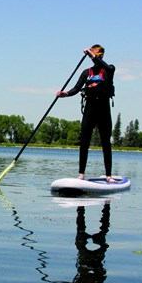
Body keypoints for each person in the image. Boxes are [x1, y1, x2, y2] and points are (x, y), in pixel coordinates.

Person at [56, 45, 115, 182]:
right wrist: (65, 94)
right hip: (90, 109)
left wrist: (91, 55)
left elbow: (105, 67)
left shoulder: (109, 69)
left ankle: (108, 176)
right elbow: (76, 88)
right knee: (84, 141)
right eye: (95, 55)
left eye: (98, 55)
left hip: (104, 109)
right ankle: (81, 174)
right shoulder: (86, 72)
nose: (96, 58)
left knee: (106, 142)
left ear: (101, 56)